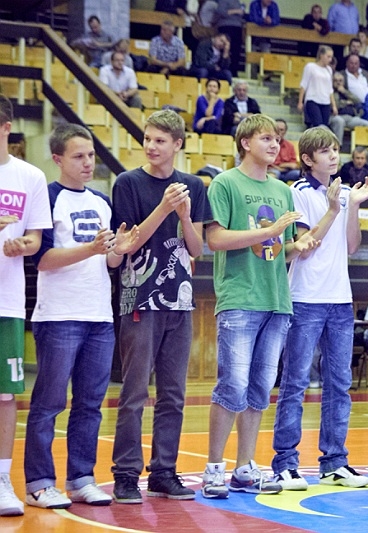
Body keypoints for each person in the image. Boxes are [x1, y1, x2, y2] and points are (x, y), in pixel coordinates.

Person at [201, 114, 318, 499]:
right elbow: (215, 240)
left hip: (276, 299)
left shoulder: (283, 191)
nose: (274, 145)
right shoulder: (225, 183)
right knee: (232, 385)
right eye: (266, 138)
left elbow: (278, 249)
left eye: (277, 139)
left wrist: (296, 247)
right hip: (240, 297)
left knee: (259, 388)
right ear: (245, 142)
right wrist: (270, 231)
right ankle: (213, 468)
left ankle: (244, 466)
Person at [24, 124, 139, 510]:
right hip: (59, 315)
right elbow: (42, 259)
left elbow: (109, 262)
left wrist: (119, 250)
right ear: (57, 158)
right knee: (49, 403)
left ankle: (81, 478)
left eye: (90, 155)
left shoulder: (103, 201)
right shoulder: (48, 198)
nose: (88, 162)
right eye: (78, 156)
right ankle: (40, 483)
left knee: (90, 403)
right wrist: (91, 248)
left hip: (99, 315)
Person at [110, 110, 210, 504]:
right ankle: (125, 473)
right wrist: (165, 208)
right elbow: (128, 243)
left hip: (179, 301)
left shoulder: (193, 186)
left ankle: (164, 471)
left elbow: (197, 249)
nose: (151, 146)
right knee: (134, 391)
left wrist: (184, 216)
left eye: (160, 140)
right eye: (147, 139)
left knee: (173, 394)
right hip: (140, 297)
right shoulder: (128, 183)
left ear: (177, 144)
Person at [269, 126, 368, 491]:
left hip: (340, 299)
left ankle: (334, 461)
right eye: (325, 151)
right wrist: (332, 210)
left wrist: (352, 207)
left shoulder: (345, 193)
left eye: (335, 150)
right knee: (295, 382)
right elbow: (304, 244)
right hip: (305, 298)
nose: (333, 156)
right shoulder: (296, 192)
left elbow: (352, 246)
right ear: (308, 159)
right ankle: (285, 462)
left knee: (340, 384)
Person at [0, 95, 51, 517]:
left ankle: (2, 480)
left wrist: (23, 245)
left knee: (5, 396)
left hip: (7, 300)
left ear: (5, 127)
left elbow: (35, 238)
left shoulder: (29, 176)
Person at [298, 45, 336, 129]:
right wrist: (300, 102)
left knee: (324, 126)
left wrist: (333, 105)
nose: (330, 59)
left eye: (331, 57)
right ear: (321, 55)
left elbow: (330, 89)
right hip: (313, 99)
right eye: (328, 57)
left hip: (325, 101)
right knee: (318, 124)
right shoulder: (310, 67)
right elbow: (304, 84)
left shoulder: (329, 70)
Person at [329, 72, 368, 145]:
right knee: (339, 121)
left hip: (350, 118)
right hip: (336, 116)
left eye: (340, 81)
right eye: (336, 81)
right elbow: (335, 105)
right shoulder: (330, 92)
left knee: (366, 124)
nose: (338, 83)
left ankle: (360, 148)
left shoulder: (346, 91)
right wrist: (346, 102)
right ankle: (338, 146)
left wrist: (344, 92)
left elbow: (357, 101)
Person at [269, 119, 301, 183]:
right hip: (272, 170)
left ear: (285, 131)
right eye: (277, 129)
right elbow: (269, 163)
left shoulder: (290, 146)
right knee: (273, 174)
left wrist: (281, 165)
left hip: (288, 172)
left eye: (281, 130)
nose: (279, 132)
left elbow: (293, 164)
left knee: (301, 174)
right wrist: (282, 166)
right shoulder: (268, 144)